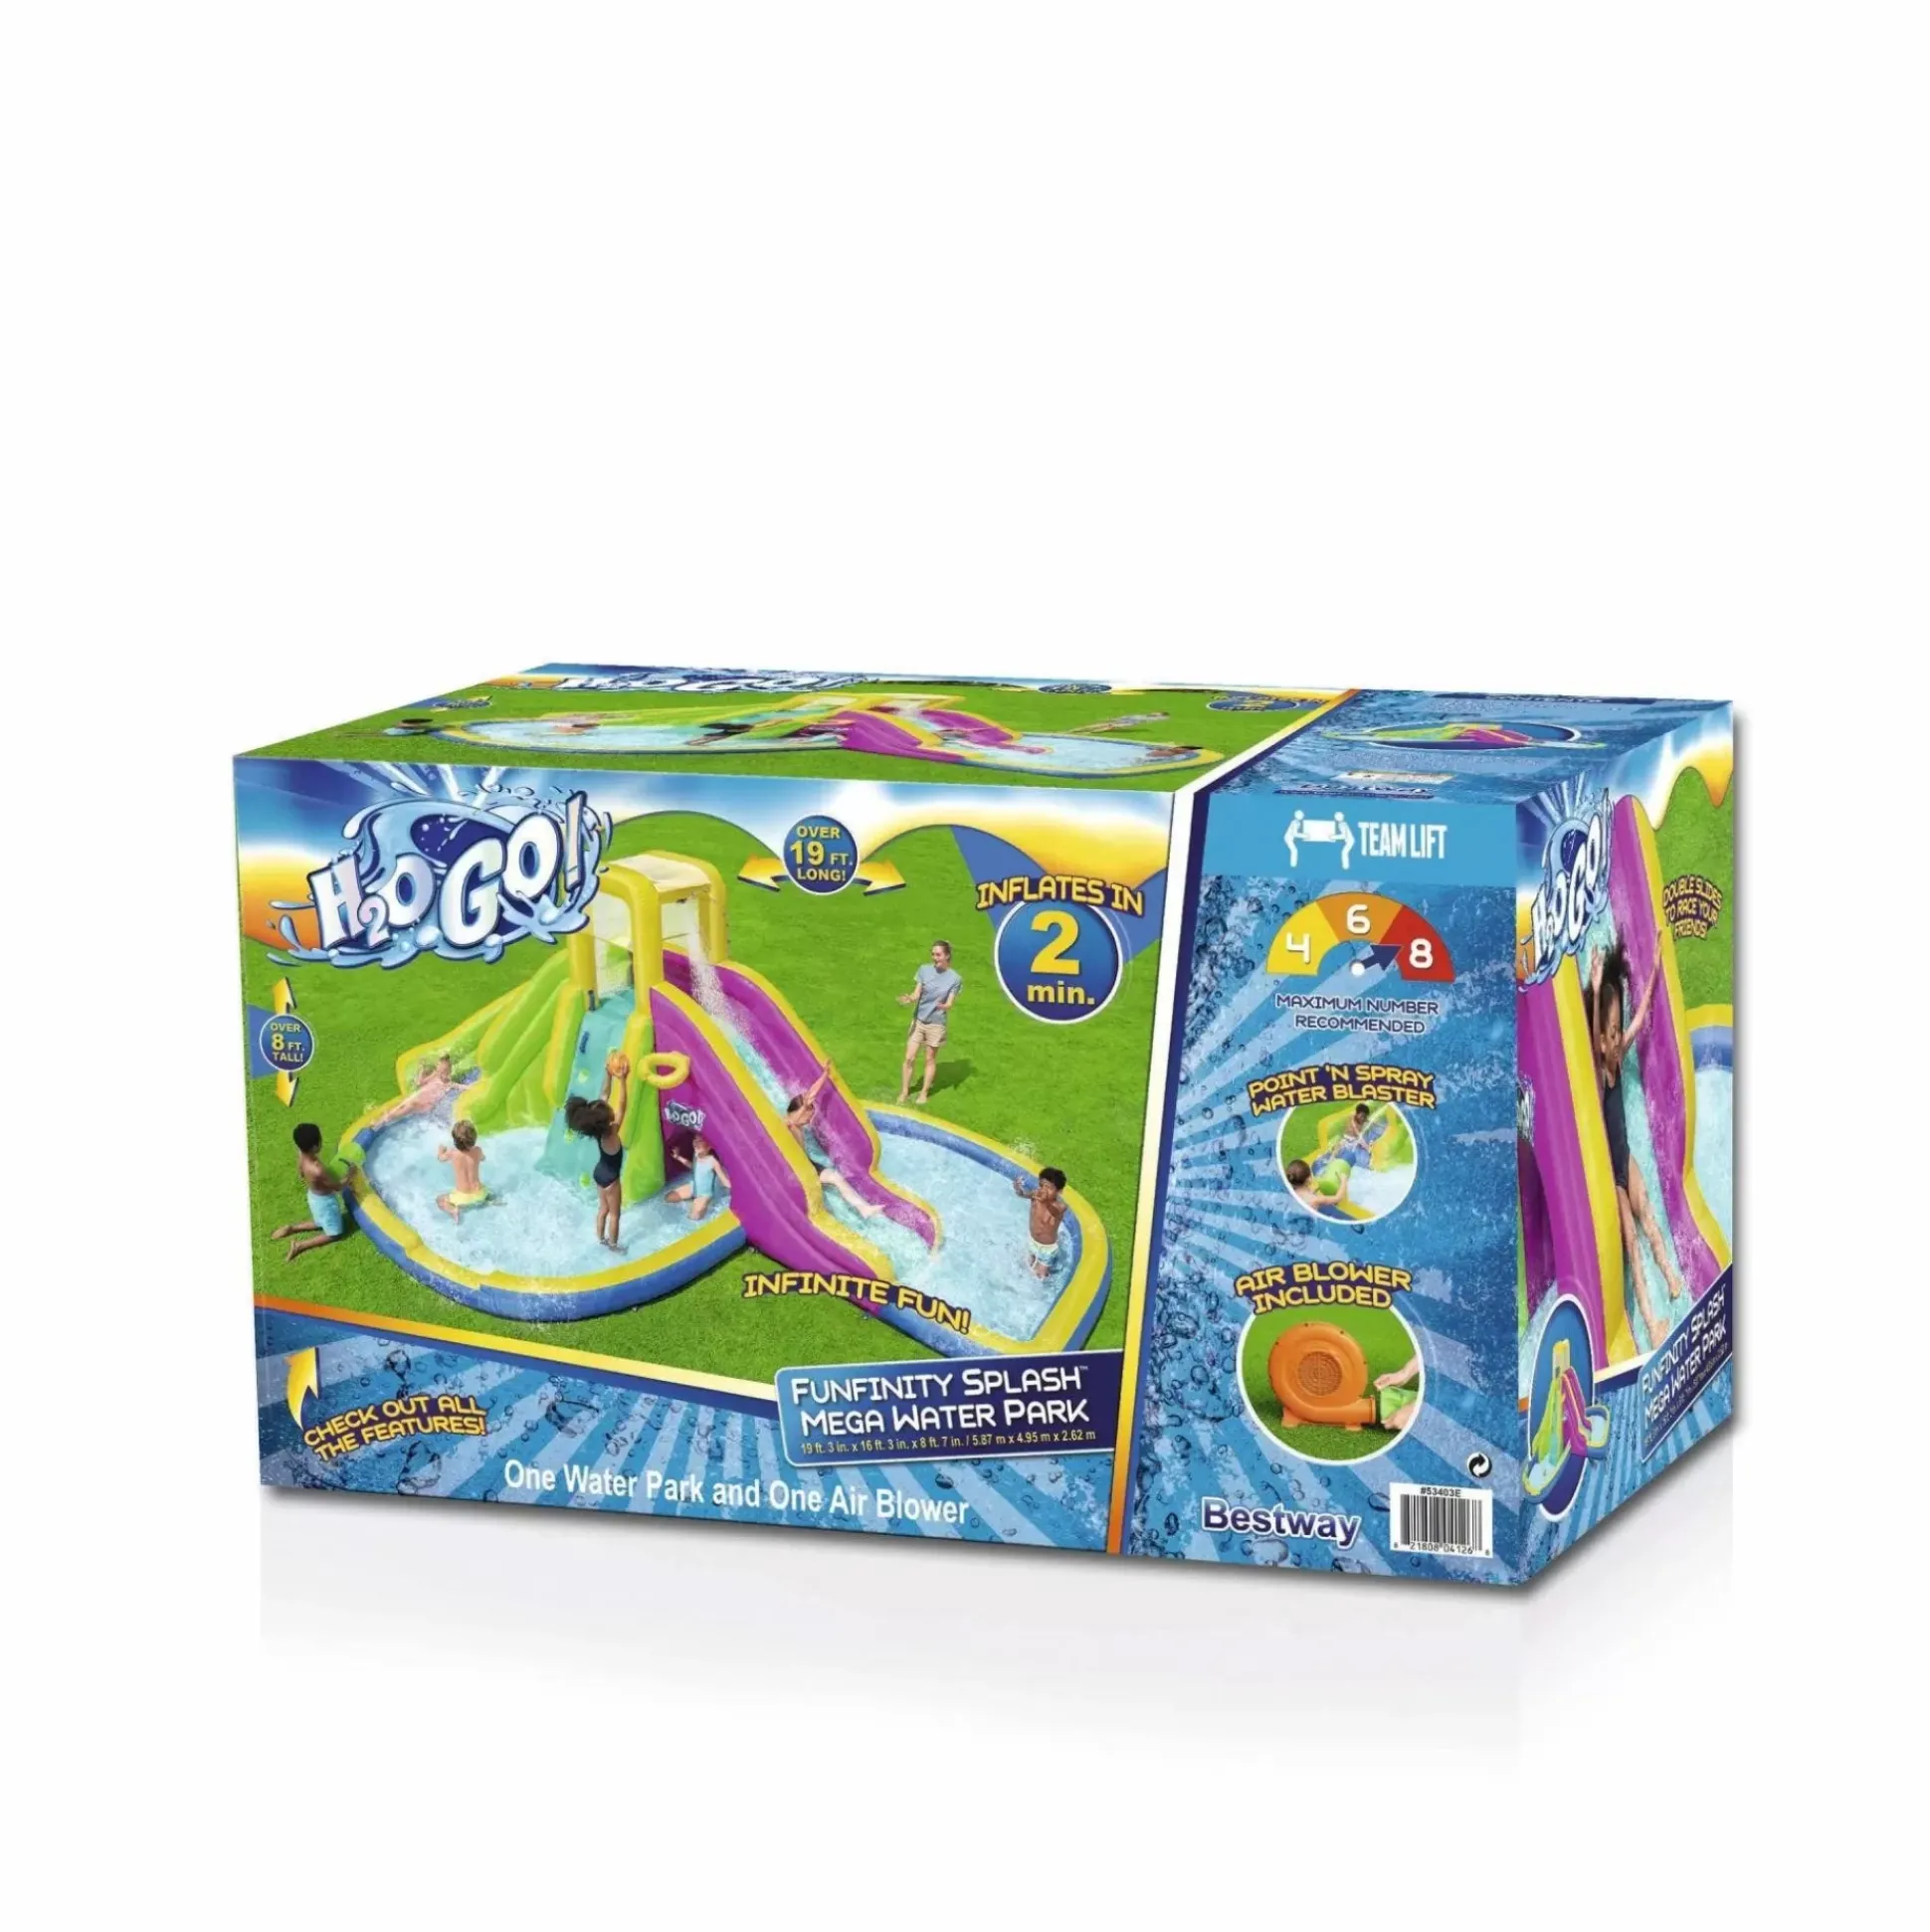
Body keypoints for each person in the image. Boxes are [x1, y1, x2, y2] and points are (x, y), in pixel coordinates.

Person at [1588, 932, 1685, 1350]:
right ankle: (1650, 1321)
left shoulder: (1618, 1052)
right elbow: (1592, 1038)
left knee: (1650, 1217)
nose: (1614, 1039)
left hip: (1624, 1157)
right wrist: (1595, 991)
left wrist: (1656, 964)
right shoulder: (1598, 1068)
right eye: (1609, 1034)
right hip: (1610, 1175)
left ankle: (1671, 1275)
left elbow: (1641, 1016)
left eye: (1615, 1031)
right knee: (1631, 1240)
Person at [786, 1063, 880, 1216]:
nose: (809, 1120)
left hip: (807, 1163)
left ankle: (864, 1209)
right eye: (808, 1116)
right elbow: (803, 1107)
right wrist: (805, 1106)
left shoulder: (796, 1123)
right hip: (796, 1167)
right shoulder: (789, 1123)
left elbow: (810, 1095)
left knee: (836, 1177)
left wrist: (825, 1075)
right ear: (800, 1111)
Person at [565, 1054, 631, 1250]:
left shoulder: (597, 1130)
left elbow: (604, 1095)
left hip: (599, 1173)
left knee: (603, 1209)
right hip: (611, 1179)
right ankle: (614, 1246)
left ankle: (600, 1239)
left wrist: (608, 1075)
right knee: (615, 1214)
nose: (610, 1108)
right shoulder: (612, 1132)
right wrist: (623, 1081)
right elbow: (622, 1106)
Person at [272, 1122, 351, 1261]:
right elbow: (337, 1187)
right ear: (315, 1147)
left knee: (320, 1221)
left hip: (313, 1197)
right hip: (326, 1202)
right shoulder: (317, 1169)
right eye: (320, 1140)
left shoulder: (301, 1154)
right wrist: (350, 1175)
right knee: (335, 1234)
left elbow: (301, 1173)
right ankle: (300, 1245)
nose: (322, 1142)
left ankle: (292, 1228)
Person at [896, 940, 962, 1104]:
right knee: (909, 1058)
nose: (934, 958)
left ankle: (924, 1093)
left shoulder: (955, 979)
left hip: (936, 1024)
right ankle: (904, 1091)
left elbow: (950, 1003)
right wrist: (910, 998)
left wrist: (944, 1006)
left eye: (938, 955)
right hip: (919, 1021)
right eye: (933, 954)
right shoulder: (924, 970)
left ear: (947, 956)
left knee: (929, 1059)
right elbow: (916, 994)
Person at [1012, 1165, 1069, 1276]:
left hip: (1047, 1249)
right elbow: (1022, 1194)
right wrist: (1018, 1189)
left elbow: (1055, 1211)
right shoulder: (1035, 1195)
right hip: (1032, 1241)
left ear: (1059, 1191)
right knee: (1025, 1267)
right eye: (1042, 1186)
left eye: (1049, 1188)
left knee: (1039, 1276)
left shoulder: (1060, 1206)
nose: (1044, 1190)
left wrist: (1045, 1201)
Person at [668, 1132, 730, 1222]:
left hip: (705, 1194)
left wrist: (735, 1192)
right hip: (694, 1187)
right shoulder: (696, 1155)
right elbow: (694, 1167)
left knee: (694, 1217)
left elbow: (724, 1181)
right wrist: (678, 1157)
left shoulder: (713, 1161)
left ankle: (706, 1205)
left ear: (709, 1146)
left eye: (700, 1141)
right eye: (695, 1139)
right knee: (668, 1198)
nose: (696, 1143)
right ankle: (691, 1201)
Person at [378, 1054, 457, 1123]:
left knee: (411, 1104)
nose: (441, 1072)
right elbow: (420, 1083)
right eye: (439, 1068)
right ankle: (383, 1118)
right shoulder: (435, 1075)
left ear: (448, 1071)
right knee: (403, 1103)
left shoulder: (448, 1083)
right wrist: (422, 1069)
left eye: (444, 1071)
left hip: (426, 1105)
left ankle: (389, 1117)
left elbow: (457, 1086)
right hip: (421, 1097)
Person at [435, 1118, 487, 1222]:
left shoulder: (452, 1153)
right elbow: (483, 1158)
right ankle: (489, 1200)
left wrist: (440, 1151)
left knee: (439, 1200)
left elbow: (440, 1159)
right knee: (485, 1191)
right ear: (474, 1138)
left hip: (462, 1197)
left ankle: (453, 1210)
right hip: (480, 1193)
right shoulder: (478, 1150)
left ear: (455, 1141)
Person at [1285, 1155, 1349, 1218]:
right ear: (1309, 1180)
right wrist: (1344, 1181)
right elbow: (1338, 1198)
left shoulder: (1290, 1192)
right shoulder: (1315, 1199)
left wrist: (1313, 1191)